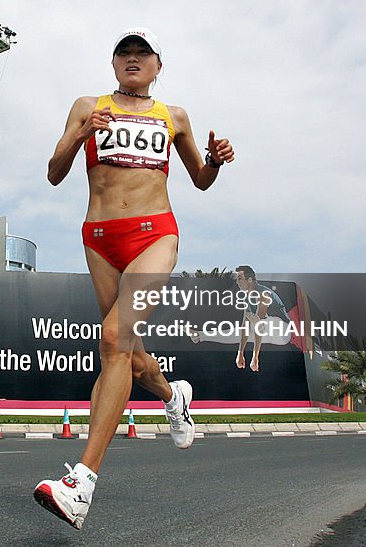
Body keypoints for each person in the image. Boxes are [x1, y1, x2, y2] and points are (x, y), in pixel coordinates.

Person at [34, 28, 234, 529]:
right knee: (125, 349)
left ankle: (81, 484)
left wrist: (214, 161)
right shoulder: (87, 105)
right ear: (113, 63)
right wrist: (82, 133)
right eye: (124, 54)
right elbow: (55, 172)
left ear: (158, 66)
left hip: (154, 233)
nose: (133, 60)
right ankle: (173, 397)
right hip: (99, 236)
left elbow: (201, 180)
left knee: (113, 338)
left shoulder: (175, 116)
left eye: (142, 54)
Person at [234, 265, 290, 372]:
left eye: (239, 278)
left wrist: (255, 358)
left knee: (256, 321)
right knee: (247, 324)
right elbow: (245, 326)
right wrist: (240, 353)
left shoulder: (263, 294)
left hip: (284, 330)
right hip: (269, 331)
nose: (237, 282)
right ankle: (201, 335)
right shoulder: (247, 297)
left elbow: (259, 326)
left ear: (249, 279)